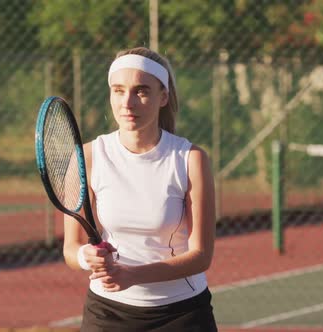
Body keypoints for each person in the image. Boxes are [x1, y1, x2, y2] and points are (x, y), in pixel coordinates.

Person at [63, 46, 218, 331]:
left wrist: (133, 275)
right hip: (107, 313)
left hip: (181, 314)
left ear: (163, 97)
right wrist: (88, 258)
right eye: (118, 90)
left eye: (141, 91)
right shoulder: (86, 158)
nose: (128, 102)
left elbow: (201, 255)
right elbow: (71, 248)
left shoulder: (190, 159)